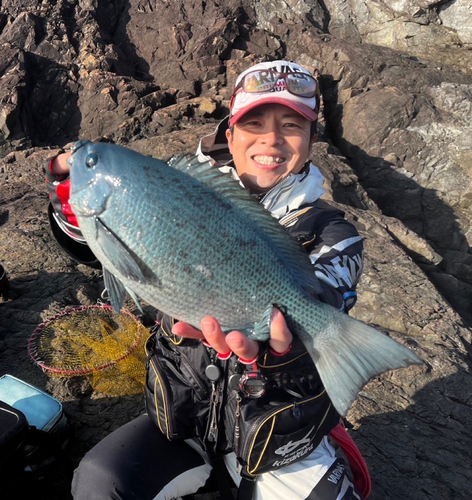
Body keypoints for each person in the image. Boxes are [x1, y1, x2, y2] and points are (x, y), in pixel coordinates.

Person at [46, 60, 368, 499]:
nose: (271, 139)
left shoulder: (333, 234)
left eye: (292, 125)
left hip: (282, 436)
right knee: (100, 481)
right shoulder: (169, 189)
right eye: (254, 123)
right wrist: (69, 206)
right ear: (229, 135)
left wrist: (282, 350)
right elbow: (104, 251)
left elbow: (327, 305)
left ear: (313, 141)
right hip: (186, 423)